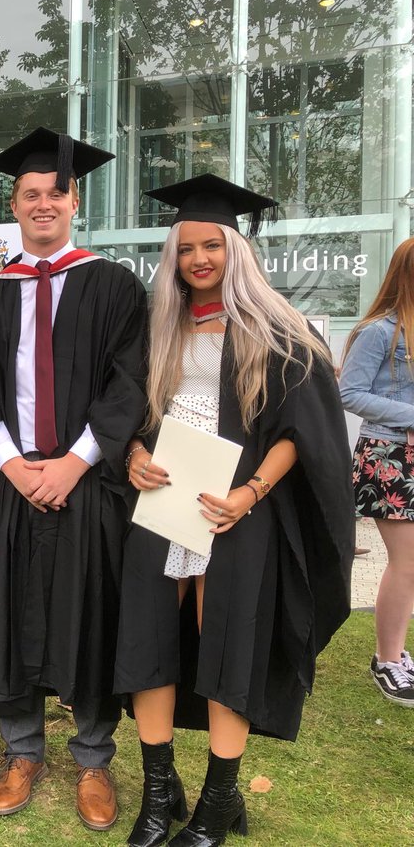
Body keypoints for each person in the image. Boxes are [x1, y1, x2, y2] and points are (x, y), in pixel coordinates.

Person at [118, 174, 353, 847]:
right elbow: (124, 411)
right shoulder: (156, 327)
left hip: (235, 513)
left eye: (211, 246)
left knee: (228, 641)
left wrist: (249, 494)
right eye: (186, 248)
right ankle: (159, 793)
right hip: (162, 503)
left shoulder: (280, 330)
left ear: (235, 251)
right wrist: (134, 451)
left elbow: (299, 434)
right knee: (150, 636)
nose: (198, 259)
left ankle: (220, 800)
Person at [0, 127, 147, 832]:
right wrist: (13, 464)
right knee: (8, 614)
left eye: (55, 194)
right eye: (30, 194)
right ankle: (21, 751)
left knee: (90, 610)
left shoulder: (114, 286)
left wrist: (75, 462)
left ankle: (94, 757)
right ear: (13, 205)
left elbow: (128, 384)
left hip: (87, 480)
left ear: (75, 201)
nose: (44, 205)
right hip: (10, 480)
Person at [339, 236, 414, 707]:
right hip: (387, 455)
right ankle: (388, 661)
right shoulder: (378, 331)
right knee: (407, 563)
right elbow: (349, 392)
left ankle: (396, 653)